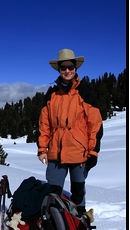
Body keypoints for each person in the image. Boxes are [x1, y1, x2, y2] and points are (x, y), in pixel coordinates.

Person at [36, 48, 103, 217]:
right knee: (53, 192)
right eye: (63, 67)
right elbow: (44, 125)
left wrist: (93, 152)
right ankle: (55, 223)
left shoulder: (85, 93)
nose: (67, 71)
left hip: (79, 153)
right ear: (58, 69)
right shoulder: (52, 94)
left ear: (75, 68)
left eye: (70, 67)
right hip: (56, 153)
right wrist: (42, 149)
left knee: (78, 191)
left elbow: (95, 125)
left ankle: (79, 222)